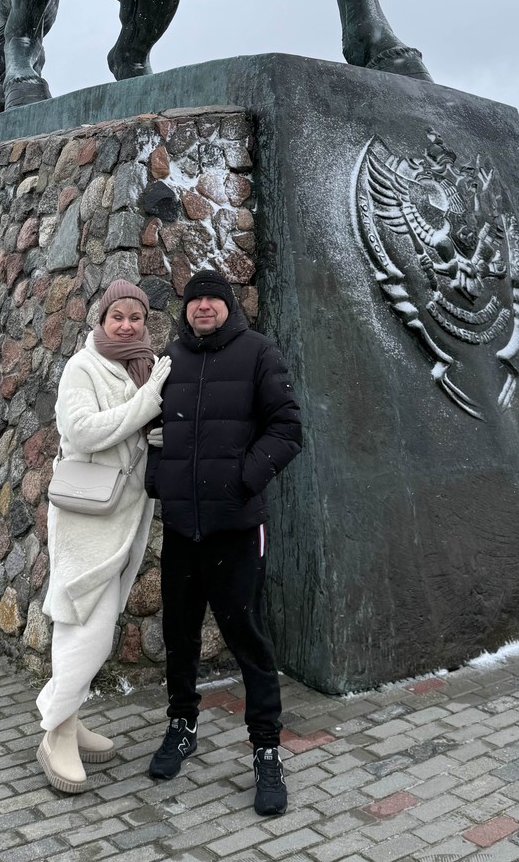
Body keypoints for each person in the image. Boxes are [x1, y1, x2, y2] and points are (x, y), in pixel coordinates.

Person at [144, 268, 302, 816]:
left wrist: (243, 478)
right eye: (196, 299)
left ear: (228, 306)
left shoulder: (258, 353)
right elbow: (154, 431)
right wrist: (159, 480)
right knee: (179, 635)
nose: (204, 306)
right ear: (186, 309)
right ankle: (181, 725)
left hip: (236, 528)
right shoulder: (170, 360)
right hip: (182, 528)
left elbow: (287, 428)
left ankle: (266, 751)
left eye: (213, 298)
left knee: (247, 638)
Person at [36, 279, 171, 793]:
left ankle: (69, 720)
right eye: (118, 316)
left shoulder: (142, 366)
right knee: (83, 621)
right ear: (101, 320)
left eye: (136, 317)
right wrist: (147, 404)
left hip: (127, 512)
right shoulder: (83, 366)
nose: (127, 325)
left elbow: (134, 433)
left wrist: (157, 432)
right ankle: (55, 731)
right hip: (85, 515)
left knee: (100, 620)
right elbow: (84, 431)